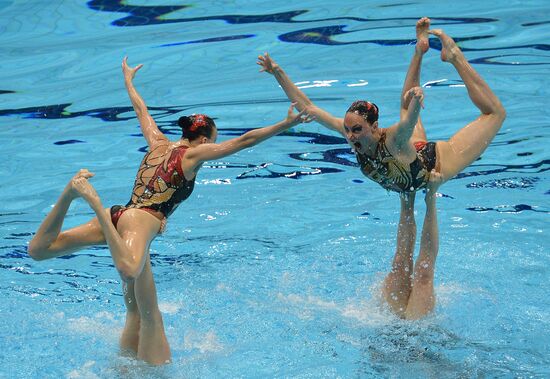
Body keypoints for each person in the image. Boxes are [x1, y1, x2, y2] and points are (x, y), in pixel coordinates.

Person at [27, 57, 313, 365]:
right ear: (203, 139)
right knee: (131, 271)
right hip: (138, 222)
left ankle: (70, 195)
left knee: (49, 255)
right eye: (211, 142)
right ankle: (92, 202)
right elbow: (245, 141)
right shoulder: (194, 154)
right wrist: (286, 124)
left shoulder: (157, 143)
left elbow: (141, 110)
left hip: (121, 214)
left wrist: (128, 82)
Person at [257, 17, 505, 319]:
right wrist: (277, 72)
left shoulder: (393, 137)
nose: (350, 136)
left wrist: (416, 102)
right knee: (405, 106)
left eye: (357, 130)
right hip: (406, 168)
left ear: (374, 128)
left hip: (435, 162)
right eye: (348, 130)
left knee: (494, 113)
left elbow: (410, 118)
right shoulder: (355, 137)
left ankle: (453, 57)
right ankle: (420, 49)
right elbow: (308, 108)